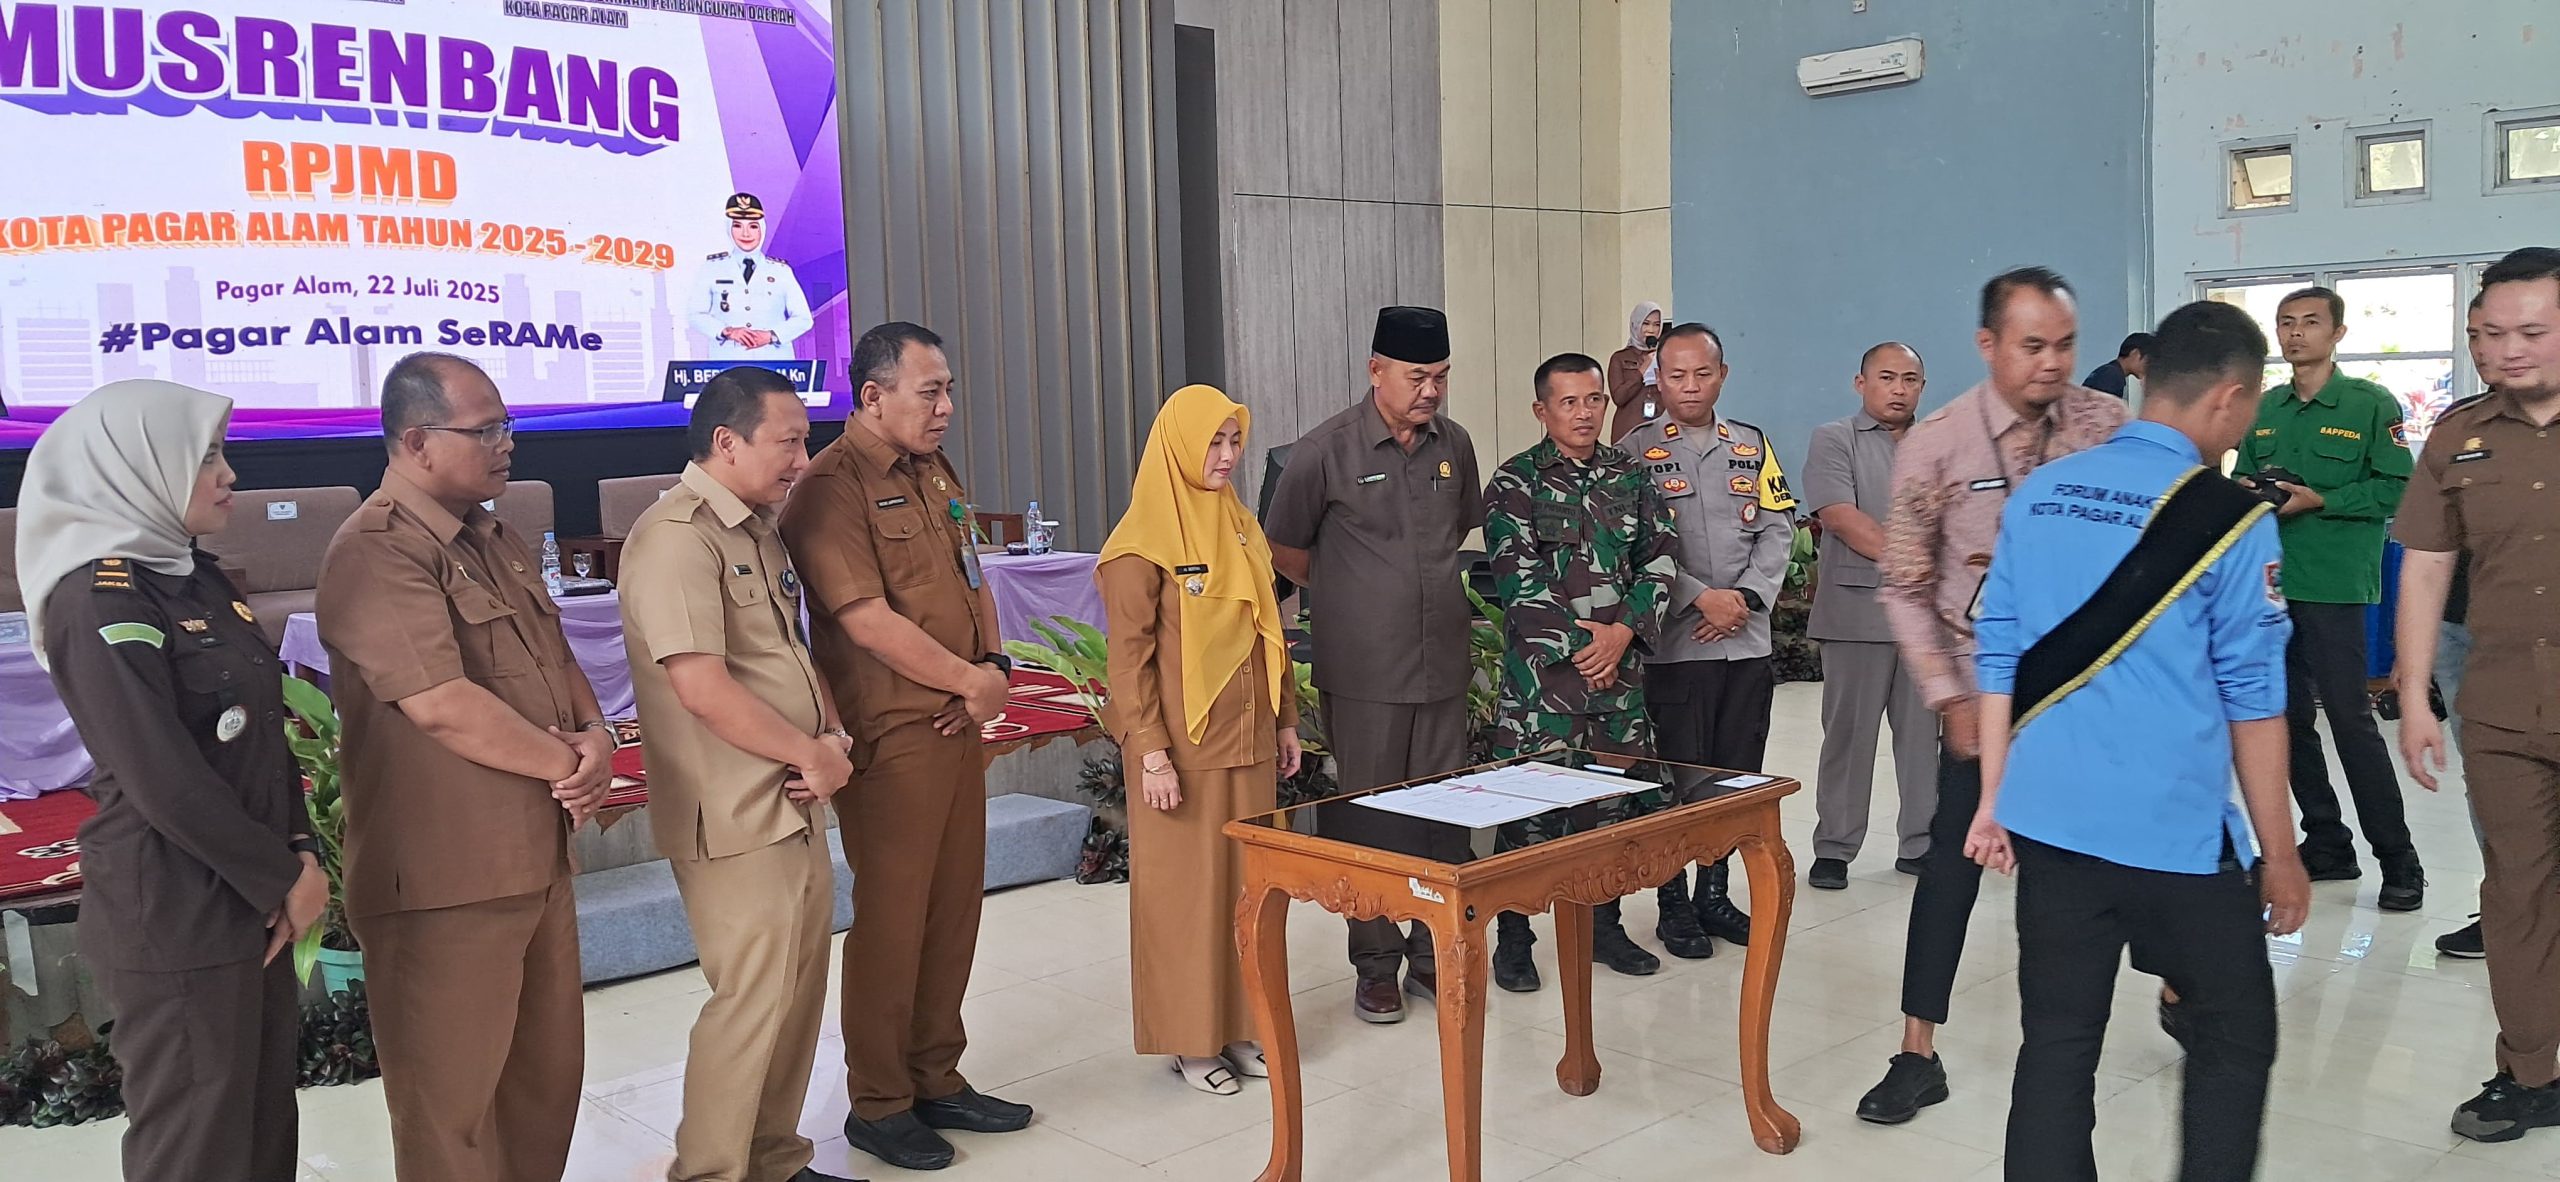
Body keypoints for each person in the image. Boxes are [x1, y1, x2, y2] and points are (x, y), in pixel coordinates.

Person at [1963, 299, 2310, 1182]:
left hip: (2050, 824)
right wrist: (2280, 856)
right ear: (2231, 398)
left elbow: (1997, 656)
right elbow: (2254, 703)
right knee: (2234, 1035)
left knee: (2056, 1043)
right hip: (2174, 838)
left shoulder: (2041, 493)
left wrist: (1994, 801)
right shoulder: (2236, 519)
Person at [15, 380, 329, 1181]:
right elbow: (164, 780)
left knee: (261, 1132)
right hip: (177, 908)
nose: (229, 475)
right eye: (206, 456)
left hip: (253, 893)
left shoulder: (197, 578)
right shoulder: (93, 600)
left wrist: (301, 850)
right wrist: (282, 879)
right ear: (137, 464)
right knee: (197, 1148)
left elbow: (263, 734)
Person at [318, 353, 616, 1180]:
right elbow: (441, 703)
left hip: (532, 857)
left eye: (505, 426)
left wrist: (597, 736)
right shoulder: (376, 548)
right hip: (444, 878)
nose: (506, 444)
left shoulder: (494, 535)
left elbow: (558, 656)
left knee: (544, 1086)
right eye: (485, 430)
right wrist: (567, 763)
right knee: (452, 1111)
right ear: (417, 441)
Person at [1860, 266, 2128, 1124]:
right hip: (1984, 692)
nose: (2053, 363)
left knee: (2121, 857)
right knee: (1950, 868)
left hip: (2089, 694)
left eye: (2065, 346)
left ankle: (2174, 991)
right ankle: (1916, 1052)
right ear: (1988, 345)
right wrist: (1950, 697)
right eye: (2032, 345)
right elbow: (1906, 586)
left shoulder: (2107, 427)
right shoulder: (1938, 443)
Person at [777, 321, 1031, 1172]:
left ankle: (936, 1076)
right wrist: (967, 681)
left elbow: (972, 574)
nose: (946, 406)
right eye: (931, 391)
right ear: (872, 395)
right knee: (894, 919)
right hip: (893, 734)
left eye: (948, 389)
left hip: (957, 721)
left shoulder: (933, 469)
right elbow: (864, 620)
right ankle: (880, 1102)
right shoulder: (829, 487)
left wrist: (992, 667)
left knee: (953, 908)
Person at [618, 367, 859, 1182]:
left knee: (795, 994)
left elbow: (787, 649)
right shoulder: (676, 537)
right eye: (788, 441)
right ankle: (712, 1171)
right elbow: (701, 685)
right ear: (727, 441)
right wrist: (811, 753)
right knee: (750, 1002)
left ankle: (774, 1159)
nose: (803, 459)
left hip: (790, 793)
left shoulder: (756, 528)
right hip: (731, 808)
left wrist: (830, 734)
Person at [1264, 305, 1484, 1024]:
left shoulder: (1455, 444)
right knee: (1371, 815)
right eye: (1417, 377)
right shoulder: (1324, 450)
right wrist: (1353, 597)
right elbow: (1284, 548)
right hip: (1364, 670)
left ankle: (1434, 951)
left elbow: (1458, 528)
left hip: (1442, 662)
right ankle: (1377, 965)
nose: (1431, 390)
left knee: (1444, 813)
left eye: (1441, 376)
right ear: (1376, 371)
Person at [2393, 246, 2560, 1143]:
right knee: (2518, 894)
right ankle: (2531, 1072)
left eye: (2531, 331)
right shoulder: (2457, 435)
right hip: (2500, 710)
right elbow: (2425, 569)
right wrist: (2415, 695)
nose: (2508, 349)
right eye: (2491, 333)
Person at [1097, 384, 1304, 1095]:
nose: (1227, 455)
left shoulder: (1240, 525)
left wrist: (1285, 719)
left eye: (1234, 440)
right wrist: (1150, 754)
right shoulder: (1139, 545)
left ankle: (1240, 1025)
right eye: (1212, 441)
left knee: (1247, 892)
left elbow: (1268, 632)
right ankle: (1191, 1041)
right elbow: (1127, 663)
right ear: (1179, 445)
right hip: (1180, 754)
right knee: (1187, 897)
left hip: (1248, 740)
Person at [1482, 352, 1681, 990]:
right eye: (1568, 402)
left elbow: (1661, 557)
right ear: (1542, 411)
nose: (1584, 413)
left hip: (1618, 684)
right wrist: (1582, 648)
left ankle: (1603, 927)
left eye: (1593, 399)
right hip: (1543, 690)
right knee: (1527, 816)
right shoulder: (1514, 482)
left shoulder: (1632, 475)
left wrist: (1621, 636)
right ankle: (1514, 939)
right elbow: (1518, 577)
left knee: (1609, 808)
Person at [2237, 285, 2421, 908]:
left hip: (2336, 585)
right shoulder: (2266, 408)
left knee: (2349, 720)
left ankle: (2399, 859)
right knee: (2286, 720)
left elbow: (2397, 490)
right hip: (2271, 589)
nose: (2295, 334)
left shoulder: (2369, 404)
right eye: (2286, 323)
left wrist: (2324, 500)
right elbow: (2244, 480)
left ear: (2337, 333)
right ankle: (2326, 843)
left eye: (2310, 323)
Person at [1618, 324, 1797, 958]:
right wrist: (1702, 598)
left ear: (1723, 375)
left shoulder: (1753, 445)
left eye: (1702, 373)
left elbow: (1778, 528)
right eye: (1676, 375)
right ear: (1657, 380)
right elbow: (1634, 545)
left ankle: (1713, 895)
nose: (1690, 386)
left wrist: (1743, 599)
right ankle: (1673, 904)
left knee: (1734, 772)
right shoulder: (1634, 452)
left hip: (1745, 642)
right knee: (1679, 774)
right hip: (1677, 645)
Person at [1803, 343, 1939, 889]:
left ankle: (1921, 843)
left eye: (1910, 379)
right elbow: (1840, 516)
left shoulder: (1939, 443)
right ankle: (1835, 847)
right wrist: (1916, 563)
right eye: (1887, 377)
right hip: (1857, 613)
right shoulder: (1834, 439)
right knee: (1849, 738)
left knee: (1922, 741)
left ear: (1922, 387)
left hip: (1926, 620)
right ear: (1861, 383)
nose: (1899, 389)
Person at [2432, 293, 2496, 960]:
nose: (2486, 348)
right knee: (2487, 775)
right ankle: (2505, 905)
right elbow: (2429, 546)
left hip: (2536, 632)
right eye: (2476, 334)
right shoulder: (2458, 424)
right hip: (2460, 627)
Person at [688, 192, 815, 360]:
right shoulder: (712, 268)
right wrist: (727, 331)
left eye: (753, 226)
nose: (745, 234)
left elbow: (804, 319)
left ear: (762, 228)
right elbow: (695, 315)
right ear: (728, 228)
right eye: (738, 226)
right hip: (728, 360)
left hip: (774, 360)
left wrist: (771, 336)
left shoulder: (781, 271)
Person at [1608, 300, 1665, 442]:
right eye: (1646, 323)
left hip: (1659, 427)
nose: (1651, 330)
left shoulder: (1665, 356)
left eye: (1656, 324)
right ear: (1636, 324)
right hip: (1629, 429)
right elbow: (1619, 397)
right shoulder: (1620, 358)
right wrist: (1643, 368)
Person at [2079, 332, 2153, 399]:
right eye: (2148, 360)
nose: (2149, 366)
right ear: (2135, 353)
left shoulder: (2107, 371)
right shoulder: (2112, 376)